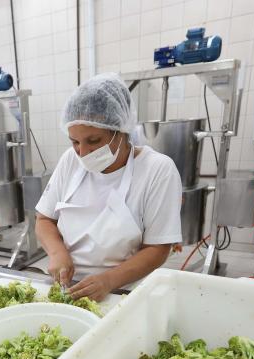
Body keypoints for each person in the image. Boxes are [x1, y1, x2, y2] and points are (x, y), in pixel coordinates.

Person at [35, 74, 183, 301]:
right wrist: (58, 253)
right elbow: (44, 220)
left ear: (121, 131)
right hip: (66, 285)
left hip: (124, 289)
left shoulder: (157, 170)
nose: (82, 153)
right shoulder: (70, 161)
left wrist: (108, 280)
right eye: (75, 142)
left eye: (93, 141)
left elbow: (158, 249)